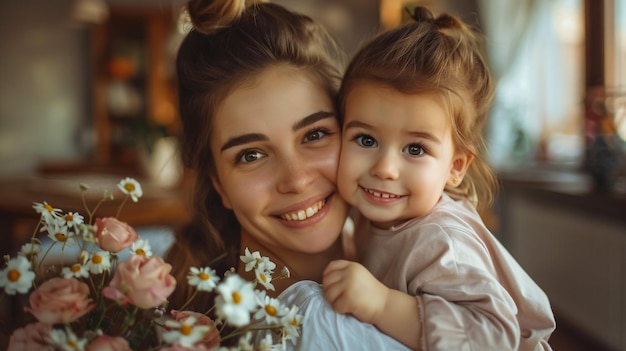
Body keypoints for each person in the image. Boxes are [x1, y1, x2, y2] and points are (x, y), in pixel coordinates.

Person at [165, 0, 409, 349]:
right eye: (251, 155)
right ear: (218, 183)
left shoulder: (409, 251)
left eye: (314, 135)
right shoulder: (306, 325)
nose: (295, 179)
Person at [322, 6, 556, 351]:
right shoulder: (375, 214)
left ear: (455, 167)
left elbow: (493, 337)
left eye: (415, 149)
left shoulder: (443, 242)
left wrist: (383, 305)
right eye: (366, 140)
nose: (385, 168)